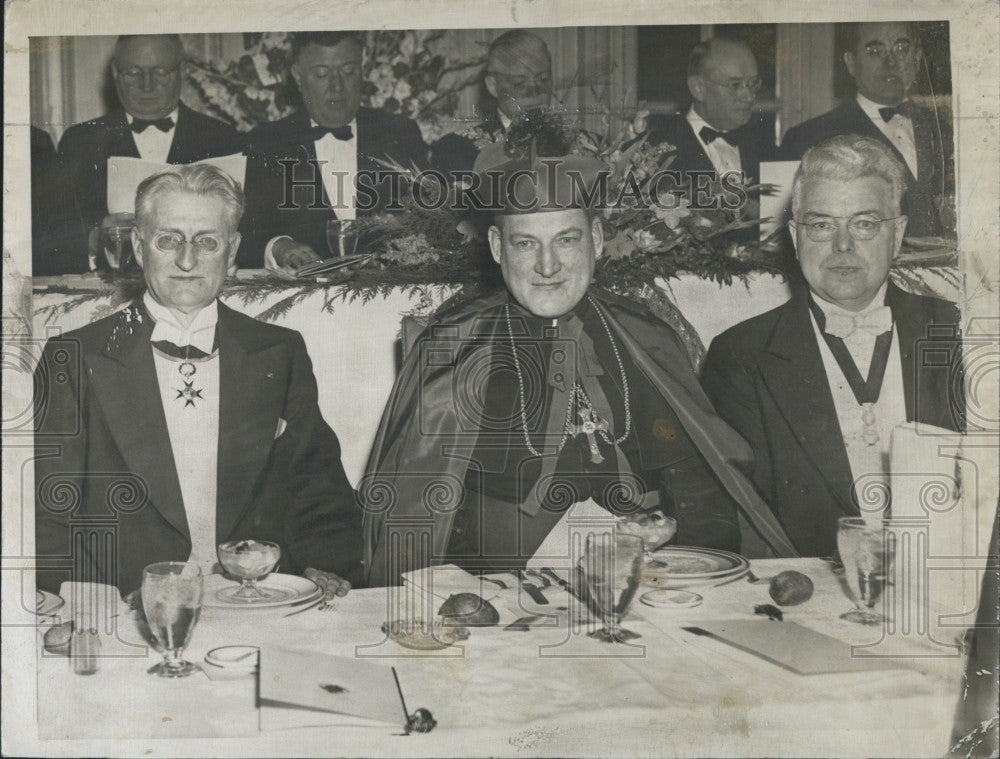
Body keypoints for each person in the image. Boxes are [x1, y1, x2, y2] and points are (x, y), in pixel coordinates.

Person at [360, 152, 798, 586]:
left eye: (566, 240)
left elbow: (701, 483)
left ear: (597, 238)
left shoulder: (645, 335)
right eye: (525, 243)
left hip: (643, 587)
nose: (547, 266)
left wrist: (685, 560)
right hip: (501, 595)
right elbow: (413, 518)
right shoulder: (452, 350)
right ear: (496, 247)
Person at [34, 164, 360, 598]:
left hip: (257, 602)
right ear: (138, 245)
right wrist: (87, 605)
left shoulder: (280, 352)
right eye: (169, 240)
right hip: (124, 609)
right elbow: (45, 514)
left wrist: (323, 569)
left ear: (232, 250)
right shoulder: (73, 357)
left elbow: (321, 491)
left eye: (206, 242)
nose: (187, 261)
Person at [701, 135, 964, 557]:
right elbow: (732, 523)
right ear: (795, 236)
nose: (842, 246)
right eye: (822, 225)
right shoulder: (740, 356)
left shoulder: (960, 334)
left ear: (896, 235)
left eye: (864, 224)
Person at [240, 31, 428, 271]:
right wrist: (279, 246)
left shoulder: (401, 133)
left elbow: (433, 223)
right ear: (298, 76)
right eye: (322, 73)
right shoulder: (266, 141)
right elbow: (246, 235)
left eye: (348, 71)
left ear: (362, 71)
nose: (336, 86)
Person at [56, 35, 242, 273]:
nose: (147, 85)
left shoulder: (223, 139)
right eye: (133, 72)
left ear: (181, 71)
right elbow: (56, 240)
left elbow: (242, 233)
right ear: (115, 72)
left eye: (161, 72)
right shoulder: (79, 141)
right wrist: (97, 236)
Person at [781, 22, 954, 237]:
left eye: (901, 49)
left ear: (917, 59)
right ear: (851, 64)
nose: (891, 62)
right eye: (874, 51)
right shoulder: (809, 138)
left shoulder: (943, 131)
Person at [429, 29, 554, 176]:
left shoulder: (580, 144)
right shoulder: (455, 150)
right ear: (493, 86)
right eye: (519, 83)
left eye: (544, 79)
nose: (535, 91)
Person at [647, 37, 765, 193]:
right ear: (698, 88)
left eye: (753, 83)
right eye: (735, 85)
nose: (749, 97)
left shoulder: (763, 146)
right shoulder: (656, 151)